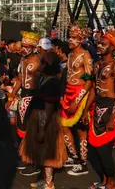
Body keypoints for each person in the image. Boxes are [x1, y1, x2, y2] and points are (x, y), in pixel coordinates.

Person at [20, 52, 67, 189]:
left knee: (47, 153)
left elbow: (49, 107)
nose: (39, 64)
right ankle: (43, 179)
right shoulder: (43, 79)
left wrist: (41, 128)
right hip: (39, 118)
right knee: (40, 152)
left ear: (47, 65)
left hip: (45, 121)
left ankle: (49, 183)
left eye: (42, 62)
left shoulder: (52, 82)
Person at [82, 29, 115, 189]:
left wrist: (112, 117)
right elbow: (93, 89)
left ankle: (112, 183)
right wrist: (85, 110)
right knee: (94, 150)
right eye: (99, 42)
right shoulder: (97, 65)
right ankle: (104, 180)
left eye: (103, 44)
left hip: (111, 108)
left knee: (104, 150)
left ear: (113, 48)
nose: (99, 45)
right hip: (97, 107)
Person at [7, 31, 42, 176]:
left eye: (27, 46)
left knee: (33, 131)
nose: (23, 48)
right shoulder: (23, 61)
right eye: (23, 45)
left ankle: (36, 163)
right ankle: (27, 158)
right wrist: (11, 96)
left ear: (33, 47)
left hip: (35, 97)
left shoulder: (40, 60)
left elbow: (48, 79)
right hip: (24, 97)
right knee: (23, 130)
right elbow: (20, 80)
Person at [61, 24, 92, 176]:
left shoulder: (85, 55)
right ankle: (73, 156)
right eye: (70, 37)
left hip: (79, 93)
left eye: (73, 38)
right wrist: (63, 96)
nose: (70, 40)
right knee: (63, 125)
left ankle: (84, 163)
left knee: (80, 129)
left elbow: (88, 80)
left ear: (80, 40)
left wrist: (77, 100)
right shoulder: (70, 55)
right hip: (68, 93)